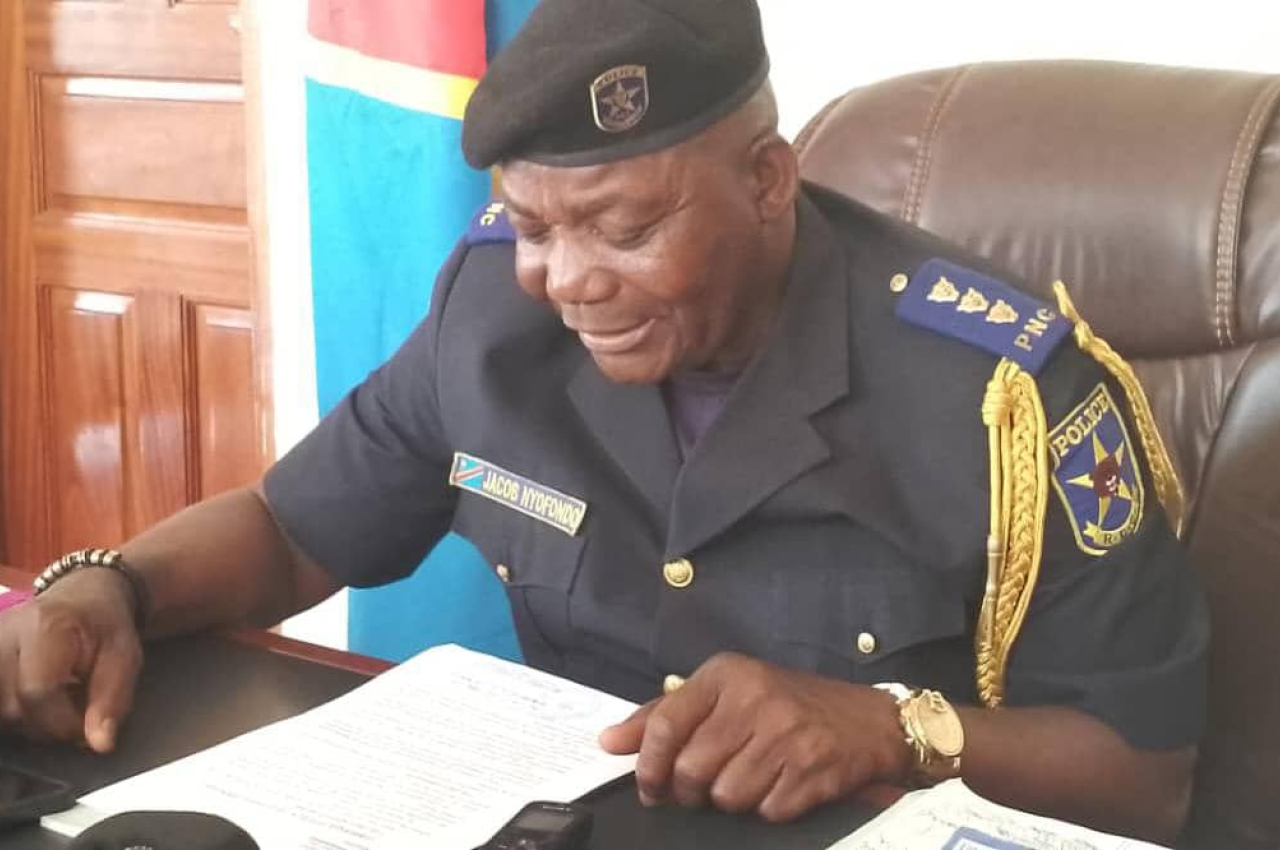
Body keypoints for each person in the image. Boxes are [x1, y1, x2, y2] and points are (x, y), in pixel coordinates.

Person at [0, 0, 1206, 842]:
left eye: (625, 229)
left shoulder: (1003, 397)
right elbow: (292, 526)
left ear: (767, 181)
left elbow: (1146, 774)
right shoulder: (493, 314)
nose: (567, 279)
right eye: (533, 226)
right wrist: (115, 585)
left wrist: (891, 728)